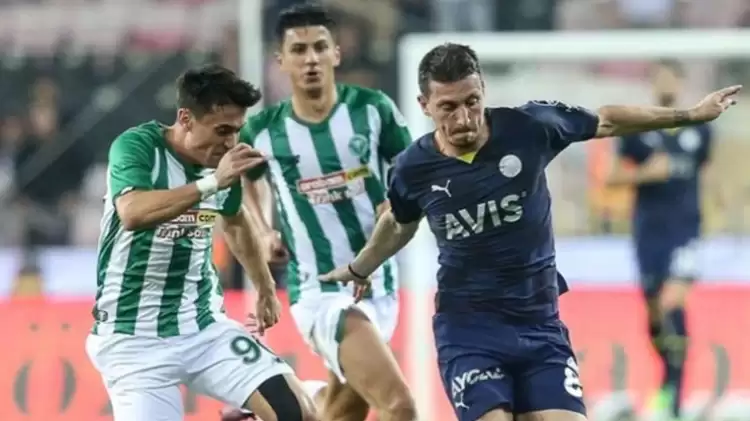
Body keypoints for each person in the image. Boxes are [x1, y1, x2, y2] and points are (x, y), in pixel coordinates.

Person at [319, 43, 740, 421]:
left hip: (539, 324)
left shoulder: (529, 126)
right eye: (448, 107)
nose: (463, 118)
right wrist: (360, 268)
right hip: (469, 330)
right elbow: (399, 222)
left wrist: (690, 115)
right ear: (424, 105)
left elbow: (607, 121)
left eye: (472, 101)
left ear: (483, 90)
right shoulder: (413, 169)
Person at [86, 64, 318, 421]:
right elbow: (132, 212)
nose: (230, 142)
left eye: (236, 131)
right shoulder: (137, 147)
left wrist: (265, 285)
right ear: (186, 118)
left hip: (204, 328)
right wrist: (211, 184)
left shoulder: (221, 162)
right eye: (222, 130)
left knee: (298, 412)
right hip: (133, 340)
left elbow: (235, 220)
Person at [222, 4, 417, 421]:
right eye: (299, 50)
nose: (310, 59)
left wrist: (397, 197)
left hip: (379, 285)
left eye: (319, 47)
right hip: (321, 291)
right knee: (400, 406)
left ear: (336, 53)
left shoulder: (372, 109)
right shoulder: (265, 130)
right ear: (281, 60)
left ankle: (278, 408)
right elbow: (241, 181)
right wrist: (264, 230)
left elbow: (412, 167)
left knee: (344, 411)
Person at [606, 60, 715, 420]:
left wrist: (714, 214)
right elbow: (611, 178)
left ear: (680, 83)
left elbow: (705, 175)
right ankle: (667, 379)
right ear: (653, 85)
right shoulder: (637, 130)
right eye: (661, 79)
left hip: (686, 231)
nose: (667, 84)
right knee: (654, 313)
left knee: (672, 303)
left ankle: (673, 395)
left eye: (672, 78)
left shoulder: (700, 129)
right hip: (649, 233)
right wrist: (645, 174)